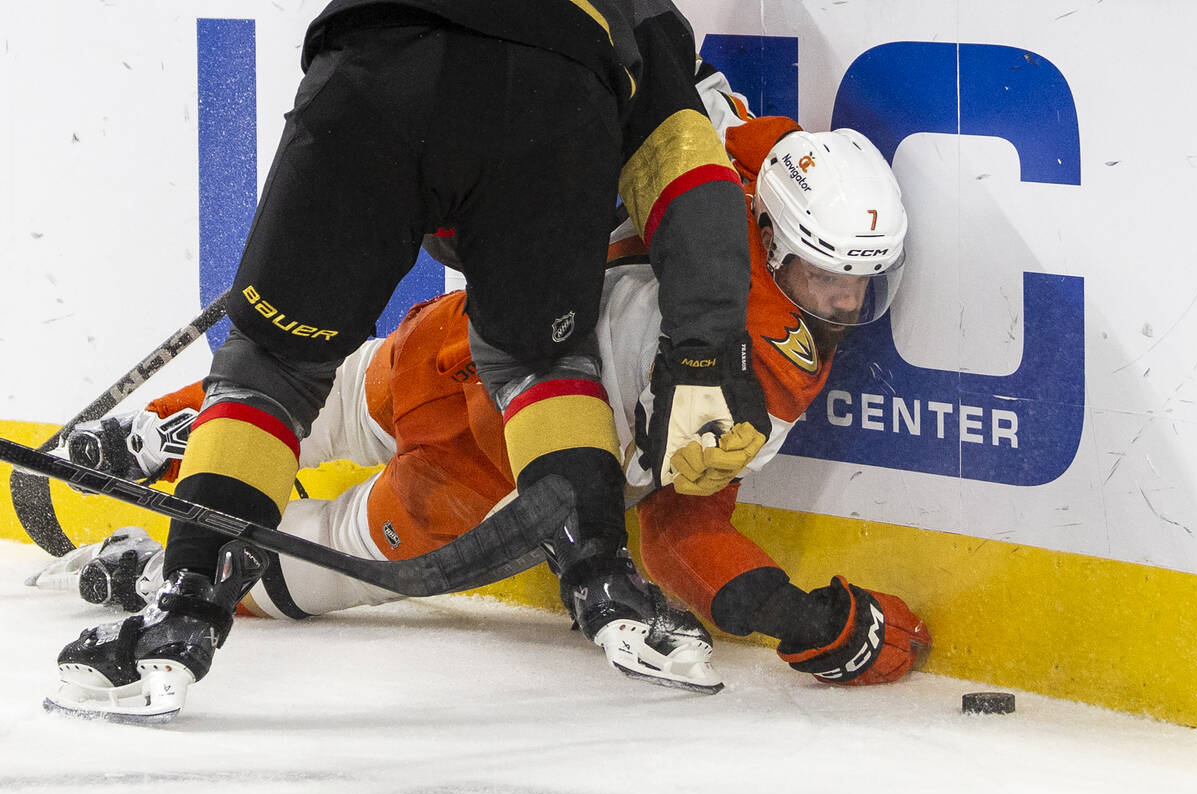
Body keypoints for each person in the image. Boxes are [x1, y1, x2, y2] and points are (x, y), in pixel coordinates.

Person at [40, 63, 928, 719]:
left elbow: (686, 97)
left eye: (859, 285)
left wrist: (801, 614)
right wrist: (807, 619)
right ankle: (160, 563)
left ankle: (161, 457)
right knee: (332, 545)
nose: (844, 304)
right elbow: (681, 528)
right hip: (502, 463)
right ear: (773, 232)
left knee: (306, 400)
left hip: (471, 352)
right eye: (824, 278)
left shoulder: (736, 164)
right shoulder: (767, 386)